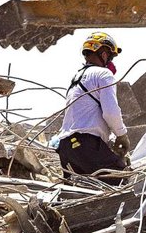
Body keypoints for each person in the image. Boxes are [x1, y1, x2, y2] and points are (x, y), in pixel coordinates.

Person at [56, 32, 130, 183]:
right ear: (104, 54)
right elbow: (110, 112)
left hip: (65, 148)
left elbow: (86, 119)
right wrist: (122, 136)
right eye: (111, 57)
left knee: (82, 194)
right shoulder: (104, 74)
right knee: (121, 180)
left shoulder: (77, 78)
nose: (111, 62)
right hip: (84, 144)